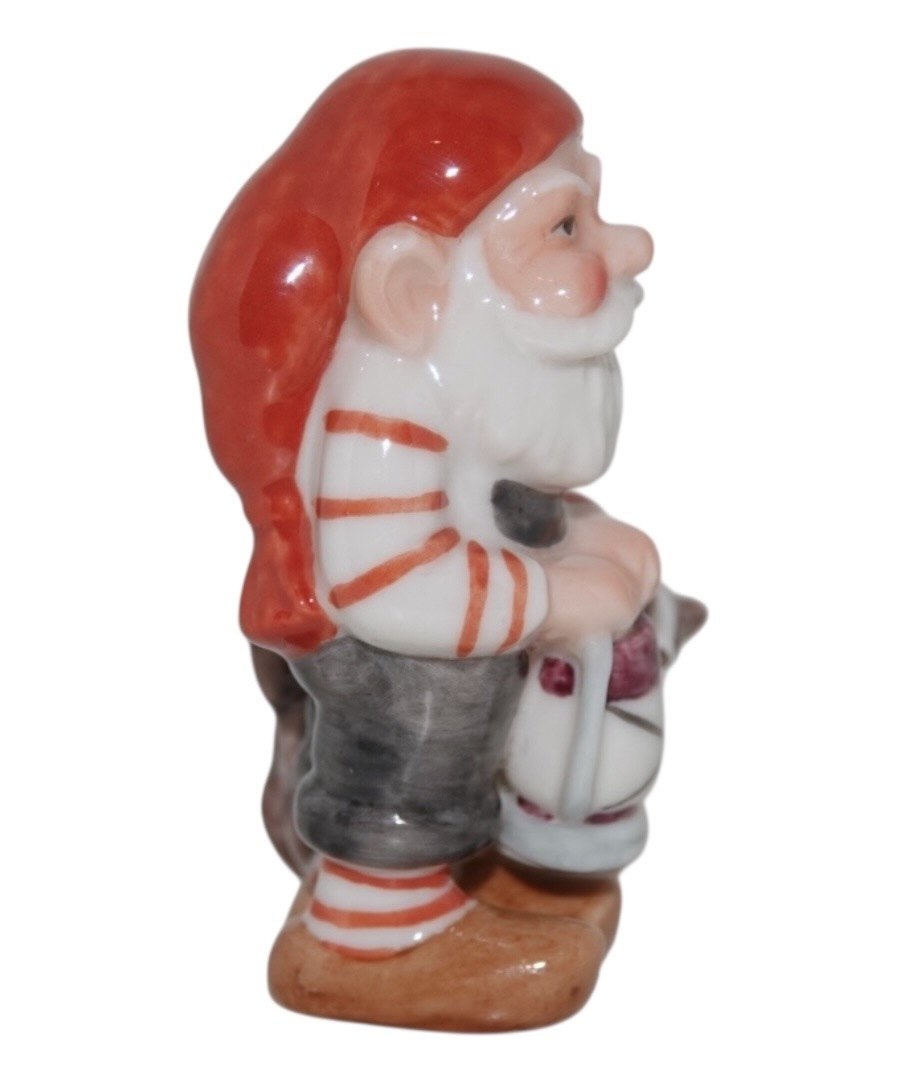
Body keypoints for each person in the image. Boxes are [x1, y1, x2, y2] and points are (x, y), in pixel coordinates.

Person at [190, 49, 660, 1030]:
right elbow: (393, 586)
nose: (630, 248)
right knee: (431, 703)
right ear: (413, 289)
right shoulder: (381, 425)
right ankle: (368, 928)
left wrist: (585, 538)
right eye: (565, 227)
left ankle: (470, 864)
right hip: (384, 644)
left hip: (453, 599)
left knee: (515, 672)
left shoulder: (484, 402)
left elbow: (509, 506)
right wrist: (557, 593)